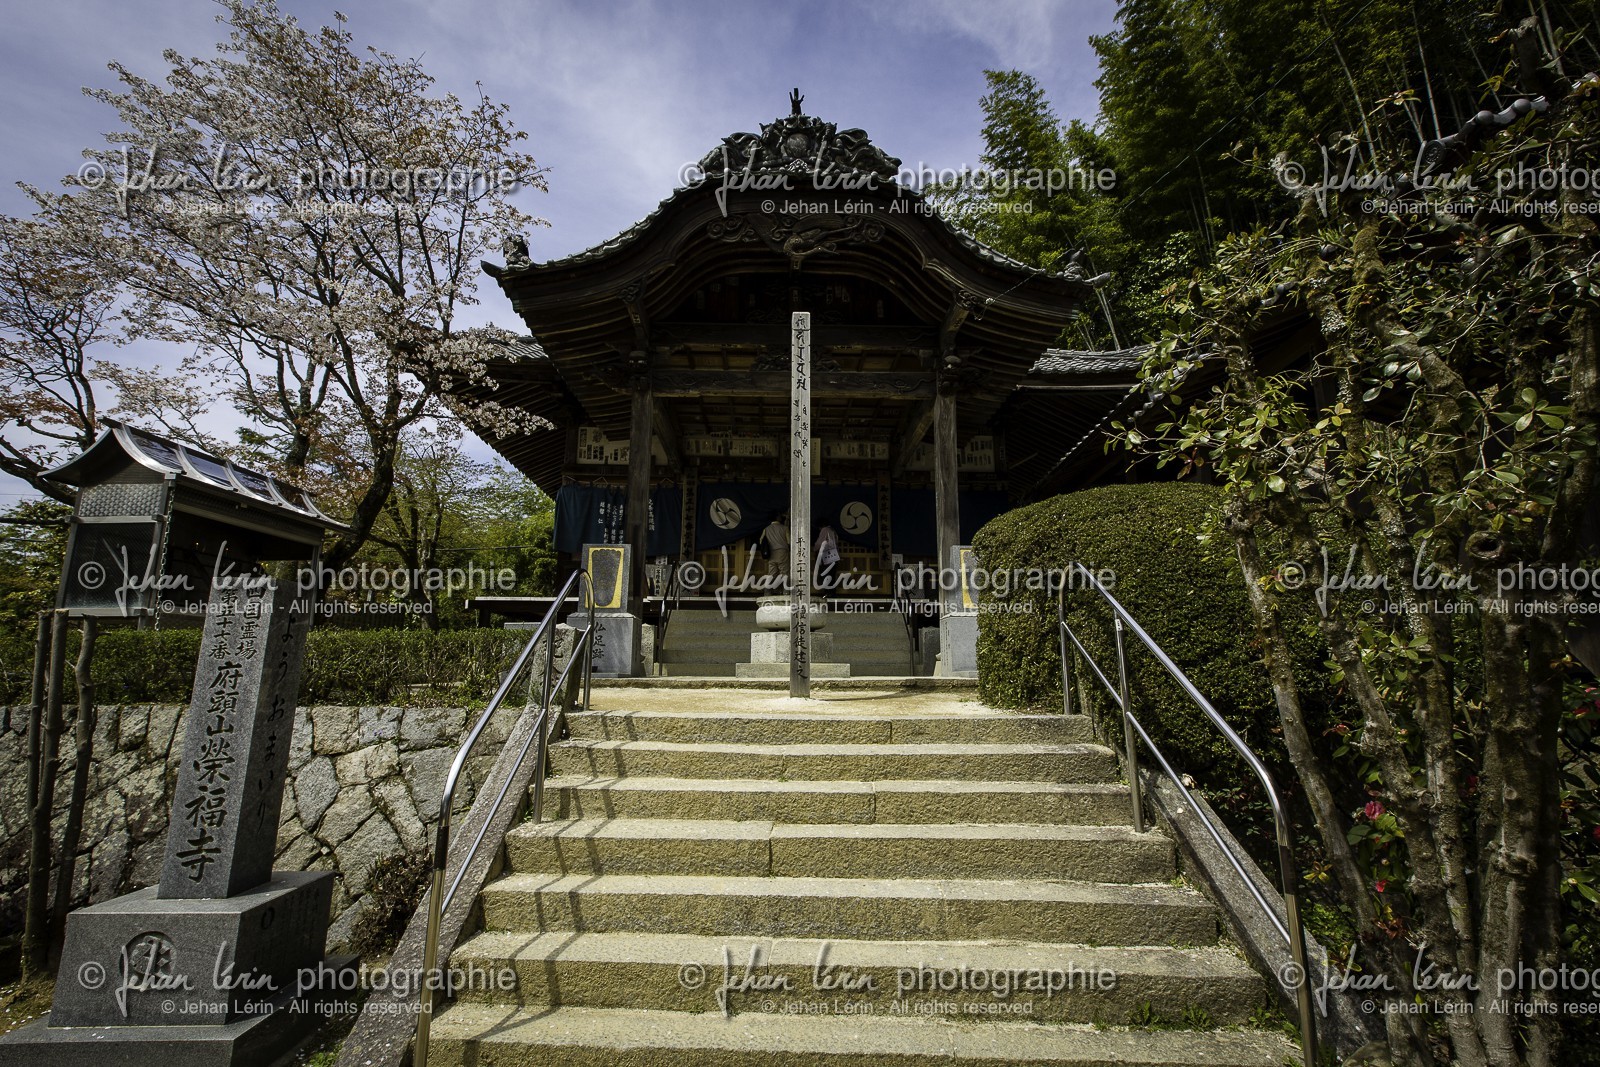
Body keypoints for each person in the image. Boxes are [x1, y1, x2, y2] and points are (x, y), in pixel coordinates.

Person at [761, 512, 790, 578]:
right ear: (777, 517)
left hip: (771, 553)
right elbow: (789, 541)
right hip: (782, 552)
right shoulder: (784, 528)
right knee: (785, 573)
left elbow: (761, 541)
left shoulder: (766, 529)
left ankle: (768, 588)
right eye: (780, 516)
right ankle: (785, 588)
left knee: (772, 573)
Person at [816, 523, 840, 594]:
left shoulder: (825, 530)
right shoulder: (833, 530)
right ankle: (832, 592)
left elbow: (820, 542)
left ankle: (827, 592)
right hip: (834, 554)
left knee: (826, 574)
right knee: (832, 575)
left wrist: (815, 549)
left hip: (827, 554)